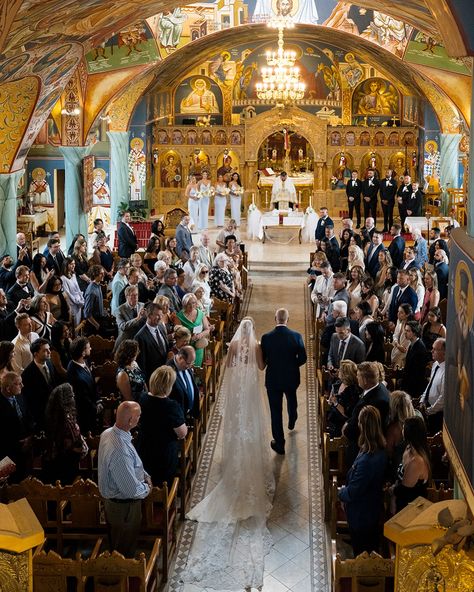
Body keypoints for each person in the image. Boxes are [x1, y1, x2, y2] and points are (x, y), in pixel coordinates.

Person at [184, 318, 274, 591]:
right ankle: (249, 455)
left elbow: (227, 366)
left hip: (237, 389)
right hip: (250, 389)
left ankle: (235, 453)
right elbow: (260, 366)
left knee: (236, 424)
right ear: (253, 330)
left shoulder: (233, 344)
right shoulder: (255, 344)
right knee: (252, 423)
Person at [98, 401, 151, 557]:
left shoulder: (108, 433)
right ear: (130, 421)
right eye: (138, 415)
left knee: (119, 543)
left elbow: (132, 464)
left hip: (116, 504)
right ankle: (123, 579)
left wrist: (145, 474)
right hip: (125, 508)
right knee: (123, 551)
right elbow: (130, 490)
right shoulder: (119, 450)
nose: (140, 418)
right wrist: (147, 488)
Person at [339, 405, 387, 556]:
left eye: (359, 422)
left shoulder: (368, 460)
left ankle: (363, 577)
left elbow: (354, 490)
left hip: (362, 513)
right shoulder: (379, 449)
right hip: (370, 508)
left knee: (362, 551)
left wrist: (340, 493)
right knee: (368, 544)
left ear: (363, 426)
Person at [261, 308, 307, 455]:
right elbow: (303, 358)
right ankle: (292, 417)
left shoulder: (266, 337)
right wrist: (293, 365)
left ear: (275, 318)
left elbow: (264, 359)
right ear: (288, 319)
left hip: (273, 379)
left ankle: (279, 444)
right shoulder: (296, 336)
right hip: (290, 377)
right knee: (291, 398)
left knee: (276, 411)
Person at [137, 365, 187, 487]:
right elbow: (182, 433)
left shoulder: (142, 398)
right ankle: (166, 502)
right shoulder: (171, 406)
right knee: (163, 485)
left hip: (144, 449)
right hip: (163, 453)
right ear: (168, 386)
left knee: (147, 481)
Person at [44, 383, 87, 485]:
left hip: (63, 459)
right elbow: (67, 443)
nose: (73, 397)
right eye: (71, 395)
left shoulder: (58, 415)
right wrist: (78, 447)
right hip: (65, 461)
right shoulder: (63, 420)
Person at [390, 415, 430, 513]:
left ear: (409, 433)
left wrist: (392, 491)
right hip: (401, 501)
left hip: (410, 509)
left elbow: (404, 490)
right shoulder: (408, 448)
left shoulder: (417, 461)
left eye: (403, 428)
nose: (402, 430)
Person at [0, 372, 33, 482]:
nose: (22, 386)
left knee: (24, 481)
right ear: (8, 388)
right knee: (11, 485)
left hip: (25, 448)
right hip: (7, 453)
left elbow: (28, 417)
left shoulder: (20, 397)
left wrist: (29, 438)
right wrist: (18, 444)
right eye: (18, 384)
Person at [22, 338, 57, 431]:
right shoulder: (27, 374)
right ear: (35, 354)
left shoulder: (49, 363)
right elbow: (30, 401)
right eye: (45, 350)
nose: (49, 352)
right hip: (41, 416)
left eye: (49, 349)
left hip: (54, 411)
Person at [67, 337, 98, 435]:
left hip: (92, 404)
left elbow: (92, 382)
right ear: (83, 353)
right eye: (89, 348)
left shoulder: (84, 361)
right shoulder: (76, 375)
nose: (91, 349)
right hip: (85, 414)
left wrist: (98, 399)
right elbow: (83, 398)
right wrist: (96, 408)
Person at [135, 302, 169, 381]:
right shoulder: (140, 337)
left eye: (161, 315)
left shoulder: (160, 326)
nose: (160, 318)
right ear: (149, 315)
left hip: (165, 374)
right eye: (157, 315)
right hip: (152, 378)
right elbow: (141, 364)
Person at [326, 360, 361, 437]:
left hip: (342, 424)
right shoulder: (339, 382)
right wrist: (331, 399)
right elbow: (331, 399)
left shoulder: (353, 391)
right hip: (333, 418)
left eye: (340, 370)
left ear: (346, 374)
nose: (338, 370)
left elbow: (348, 414)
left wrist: (336, 403)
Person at [419, 338, 445, 434]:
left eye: (435, 349)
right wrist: (422, 400)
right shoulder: (435, 364)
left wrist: (429, 411)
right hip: (428, 408)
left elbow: (443, 398)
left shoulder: (447, 372)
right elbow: (430, 384)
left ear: (444, 352)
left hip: (438, 413)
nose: (431, 351)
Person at [176, 293, 211, 368]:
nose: (192, 306)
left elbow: (207, 329)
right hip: (186, 348)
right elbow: (178, 335)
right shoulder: (179, 316)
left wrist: (199, 335)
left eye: (194, 303)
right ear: (184, 304)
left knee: (198, 369)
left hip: (198, 346)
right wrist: (189, 337)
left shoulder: (200, 313)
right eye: (189, 304)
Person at [167, 345, 200, 420]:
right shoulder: (169, 370)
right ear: (180, 357)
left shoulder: (185, 365)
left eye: (191, 364)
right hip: (180, 416)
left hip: (190, 412)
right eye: (188, 363)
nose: (189, 366)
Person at [399, 321, 429, 398]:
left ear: (415, 333)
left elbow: (417, 373)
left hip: (414, 388)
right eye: (405, 330)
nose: (405, 333)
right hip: (408, 382)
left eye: (408, 331)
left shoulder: (420, 348)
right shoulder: (412, 343)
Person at [115, 339, 148, 405]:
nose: (138, 352)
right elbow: (128, 399)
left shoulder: (134, 363)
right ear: (130, 353)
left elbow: (143, 381)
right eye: (136, 351)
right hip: (132, 407)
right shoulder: (122, 374)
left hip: (144, 401)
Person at [114, 285, 146, 350]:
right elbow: (123, 327)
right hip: (125, 342)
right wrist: (137, 318)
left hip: (140, 341)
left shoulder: (142, 306)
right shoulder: (119, 310)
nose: (135, 297)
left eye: (136, 295)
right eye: (132, 295)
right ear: (126, 297)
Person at [61, 258, 84, 326]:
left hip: (79, 302)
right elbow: (68, 293)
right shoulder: (63, 278)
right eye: (71, 264)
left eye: (74, 264)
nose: (73, 265)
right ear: (66, 265)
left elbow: (78, 289)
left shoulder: (73, 275)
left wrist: (82, 299)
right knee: (75, 324)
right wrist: (77, 302)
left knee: (79, 323)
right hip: (72, 304)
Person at [391, 303, 414, 368]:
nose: (398, 314)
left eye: (401, 312)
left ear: (407, 314)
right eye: (398, 311)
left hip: (404, 356)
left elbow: (404, 349)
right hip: (396, 350)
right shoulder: (399, 321)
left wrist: (397, 345)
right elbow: (395, 335)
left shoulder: (410, 328)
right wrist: (397, 344)